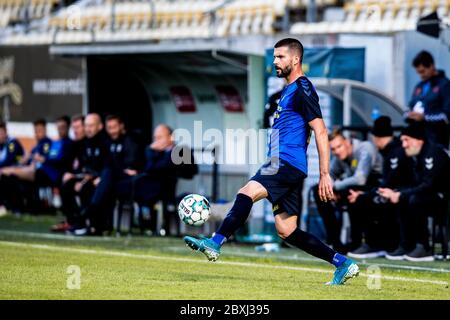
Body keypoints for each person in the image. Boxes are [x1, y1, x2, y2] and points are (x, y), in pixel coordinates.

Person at [183, 38, 359, 285]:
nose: (275, 62)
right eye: (274, 57)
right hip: (287, 165)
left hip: (285, 163)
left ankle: (215, 242)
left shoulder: (302, 89)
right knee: (287, 231)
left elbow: (320, 130)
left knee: (247, 192)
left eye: (280, 57)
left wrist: (325, 173)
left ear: (296, 59)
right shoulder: (288, 90)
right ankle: (343, 263)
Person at [379, 122, 450, 261]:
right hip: (432, 195)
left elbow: (428, 185)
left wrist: (400, 194)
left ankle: (423, 247)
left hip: (444, 198)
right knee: (404, 198)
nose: (404, 145)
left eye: (407, 140)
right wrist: (396, 193)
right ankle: (407, 245)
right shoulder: (417, 155)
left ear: (419, 140)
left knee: (414, 199)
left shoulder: (432, 153)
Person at [347, 116, 414, 259]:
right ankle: (368, 243)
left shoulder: (395, 152)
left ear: (377, 138)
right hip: (395, 190)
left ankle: (375, 244)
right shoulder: (391, 151)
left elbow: (391, 182)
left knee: (363, 200)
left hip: (400, 192)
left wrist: (366, 194)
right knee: (361, 198)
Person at [314, 130, 382, 253]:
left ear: (347, 142)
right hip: (355, 187)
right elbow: (330, 176)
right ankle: (335, 242)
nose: (337, 151)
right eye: (333, 149)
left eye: (339, 146)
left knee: (351, 193)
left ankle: (358, 242)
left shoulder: (364, 148)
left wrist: (334, 187)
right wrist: (330, 189)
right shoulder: (339, 157)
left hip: (377, 186)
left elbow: (360, 179)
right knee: (318, 191)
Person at [75, 114, 142, 236]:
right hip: (109, 180)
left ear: (121, 126)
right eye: (109, 128)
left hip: (127, 181)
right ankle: (93, 226)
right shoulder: (106, 142)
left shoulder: (130, 140)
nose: (112, 131)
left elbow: (131, 166)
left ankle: (89, 212)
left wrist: (103, 176)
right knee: (88, 186)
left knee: (107, 174)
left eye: (114, 127)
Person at [62, 113, 109, 235]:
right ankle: (75, 221)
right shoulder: (85, 143)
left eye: (91, 126)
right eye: (86, 126)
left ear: (100, 126)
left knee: (86, 188)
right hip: (87, 177)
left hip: (101, 179)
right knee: (66, 185)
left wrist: (92, 178)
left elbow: (106, 166)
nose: (88, 129)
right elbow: (85, 167)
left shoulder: (105, 142)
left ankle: (90, 224)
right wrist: (77, 177)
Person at [406, 50, 450, 148]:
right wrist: (409, 115)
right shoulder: (419, 86)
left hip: (436, 141)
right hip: (418, 140)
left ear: (431, 66)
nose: (421, 75)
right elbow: (410, 106)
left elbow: (447, 116)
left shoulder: (445, 85)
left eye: (423, 71)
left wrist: (425, 117)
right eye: (418, 72)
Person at [51, 115, 86, 232]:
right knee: (64, 183)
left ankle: (81, 222)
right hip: (76, 179)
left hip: (88, 179)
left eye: (78, 127)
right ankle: (71, 221)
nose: (75, 131)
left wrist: (77, 177)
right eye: (74, 128)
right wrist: (67, 174)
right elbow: (66, 166)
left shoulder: (89, 144)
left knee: (73, 186)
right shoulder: (72, 145)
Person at [0, 121, 24, 212]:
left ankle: (10, 207)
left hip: (19, 171)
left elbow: (9, 159)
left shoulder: (12, 143)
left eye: (1, 133)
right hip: (7, 170)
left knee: (5, 176)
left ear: (6, 132)